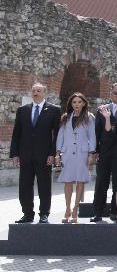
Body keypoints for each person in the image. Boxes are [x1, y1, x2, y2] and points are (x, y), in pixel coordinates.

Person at [10, 82, 61, 224]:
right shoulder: (23, 110)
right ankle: (27, 214)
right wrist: (15, 154)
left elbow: (57, 134)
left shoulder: (54, 110)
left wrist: (53, 153)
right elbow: (16, 133)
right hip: (25, 154)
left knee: (44, 185)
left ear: (44, 93)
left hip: (44, 155)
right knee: (25, 185)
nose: (35, 93)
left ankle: (44, 214)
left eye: (38, 90)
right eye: (33, 90)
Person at [91, 82, 117, 222]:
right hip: (105, 153)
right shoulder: (102, 109)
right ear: (110, 94)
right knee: (101, 182)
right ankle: (98, 212)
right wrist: (95, 151)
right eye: (116, 93)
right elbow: (96, 131)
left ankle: (115, 212)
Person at [55, 92, 96, 224]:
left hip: (82, 153)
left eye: (79, 102)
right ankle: (67, 208)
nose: (77, 104)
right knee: (68, 181)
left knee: (80, 180)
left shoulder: (89, 117)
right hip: (67, 153)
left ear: (84, 103)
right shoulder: (66, 117)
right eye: (74, 102)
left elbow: (92, 136)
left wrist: (91, 153)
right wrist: (57, 153)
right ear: (71, 104)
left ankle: (75, 209)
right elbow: (60, 136)